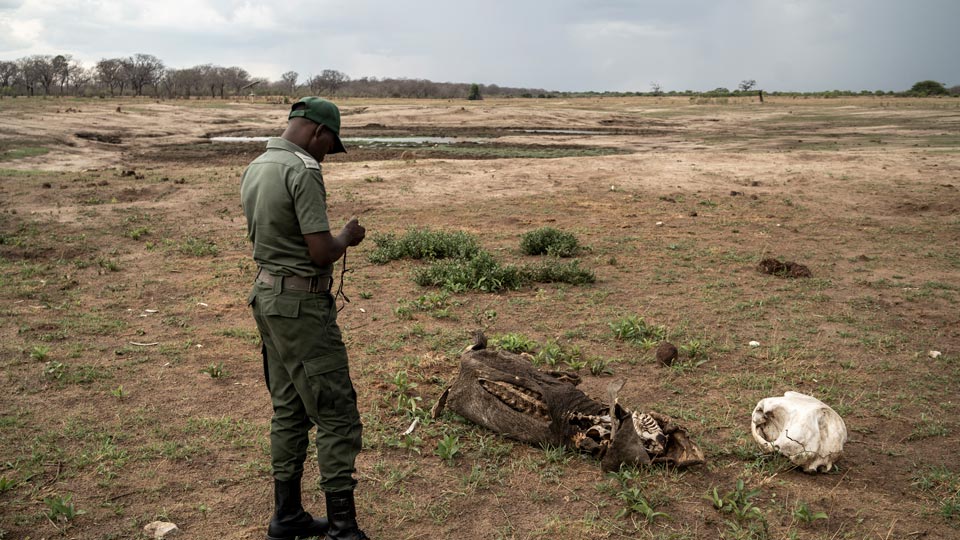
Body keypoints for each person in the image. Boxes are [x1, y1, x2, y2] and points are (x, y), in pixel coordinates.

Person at [240, 97, 368, 540]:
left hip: (268, 298)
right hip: (301, 307)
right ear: (318, 132)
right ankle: (342, 527)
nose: (326, 155)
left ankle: (287, 515)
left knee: (290, 407)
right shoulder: (303, 170)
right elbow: (320, 252)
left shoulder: (257, 166)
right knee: (336, 412)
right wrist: (347, 237)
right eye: (330, 146)